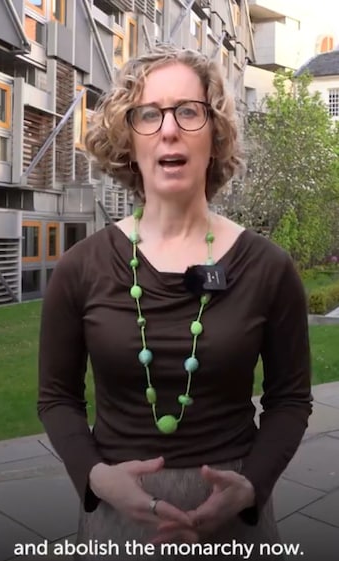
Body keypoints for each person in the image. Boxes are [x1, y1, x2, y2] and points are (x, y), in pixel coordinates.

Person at [38, 44, 312, 560]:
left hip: (235, 515)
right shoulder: (80, 267)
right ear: (128, 139)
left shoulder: (269, 268)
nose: (169, 128)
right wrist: (96, 479)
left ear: (215, 132)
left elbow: (291, 399)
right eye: (149, 113)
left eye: (189, 111)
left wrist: (251, 487)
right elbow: (57, 398)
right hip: (118, 515)